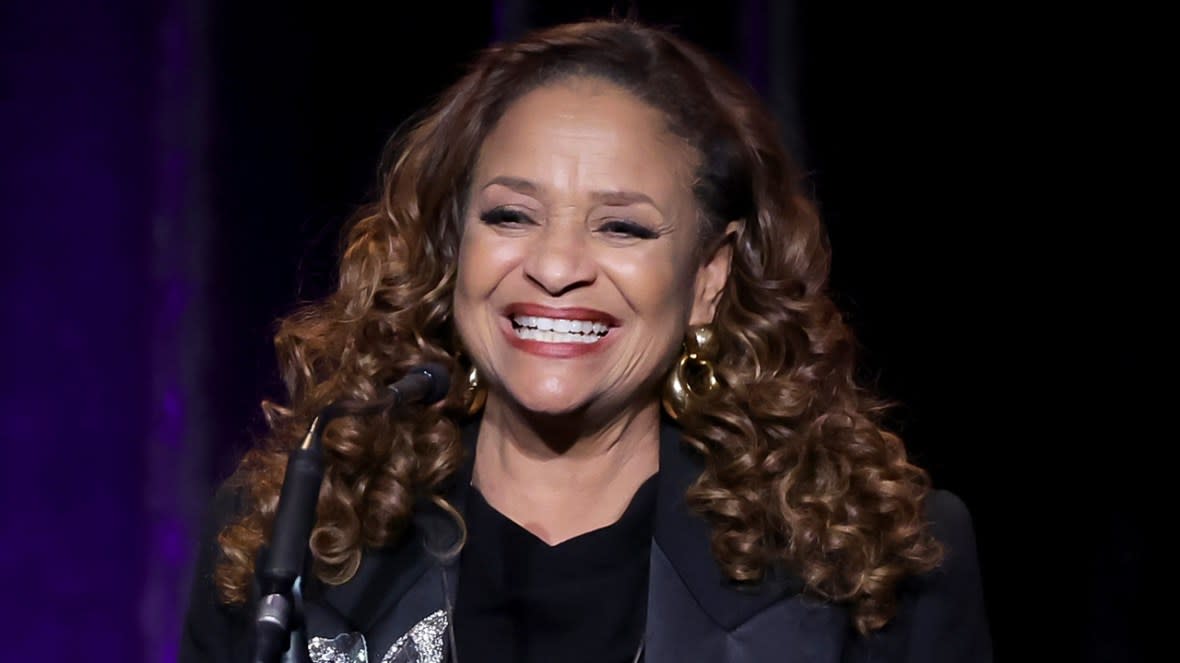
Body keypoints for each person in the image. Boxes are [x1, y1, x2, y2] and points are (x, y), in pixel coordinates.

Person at [181, 18, 991, 663]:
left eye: (622, 226)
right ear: (452, 245)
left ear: (708, 277)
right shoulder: (292, 531)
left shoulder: (870, 558)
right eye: (510, 215)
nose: (557, 265)